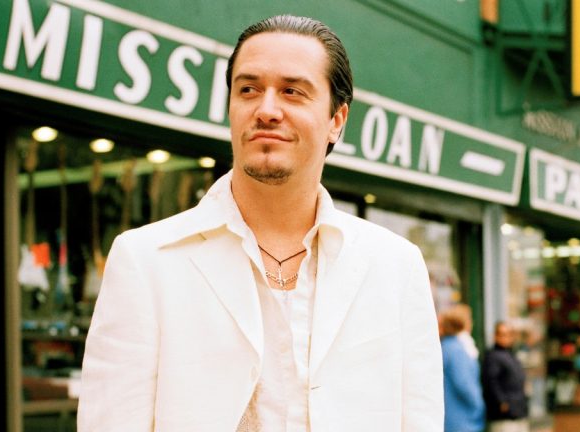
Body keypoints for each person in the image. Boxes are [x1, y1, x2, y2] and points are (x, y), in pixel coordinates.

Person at [77, 14, 443, 432]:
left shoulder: (396, 266)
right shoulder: (145, 261)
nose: (267, 110)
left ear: (336, 121)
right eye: (248, 90)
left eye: (292, 91)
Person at [439, 304, 486, 432]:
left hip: (452, 418)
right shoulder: (457, 350)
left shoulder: (447, 346)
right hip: (462, 419)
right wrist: (478, 405)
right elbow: (464, 384)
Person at [481, 321, 529, 432]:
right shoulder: (492, 356)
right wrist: (502, 402)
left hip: (519, 411)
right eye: (501, 334)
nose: (505, 338)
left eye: (508, 334)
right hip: (503, 415)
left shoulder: (511, 354)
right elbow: (490, 381)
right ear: (495, 336)